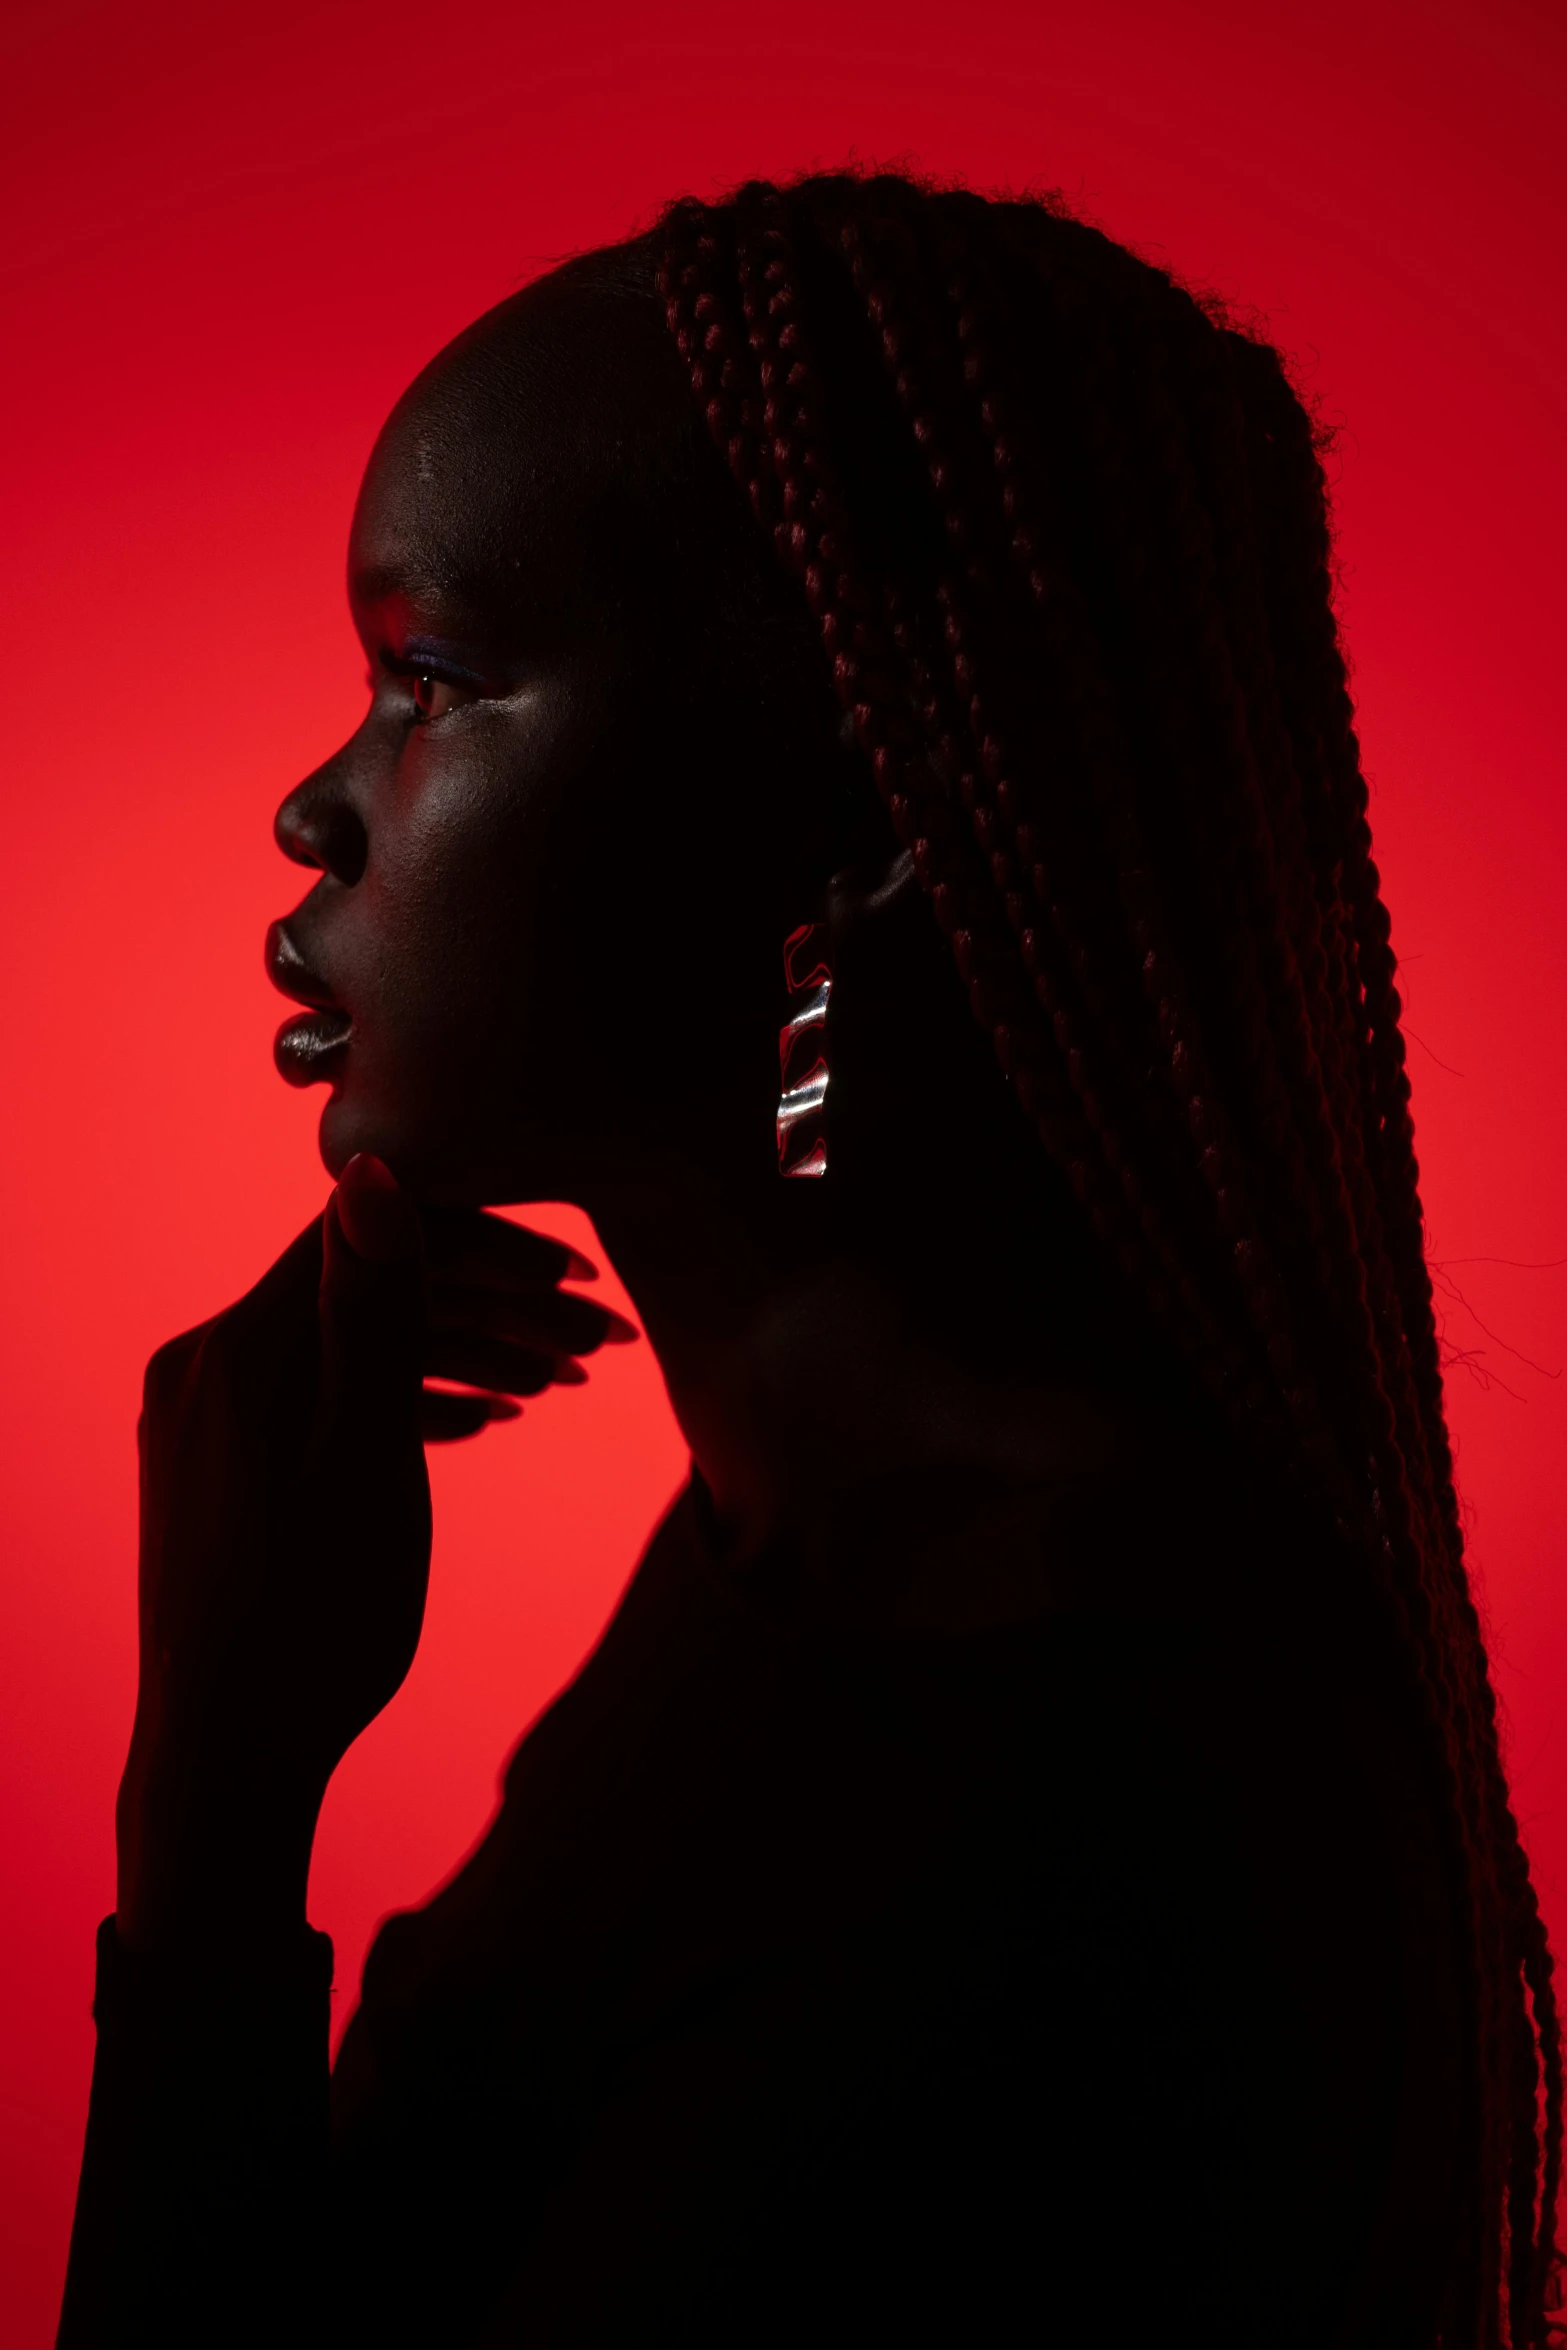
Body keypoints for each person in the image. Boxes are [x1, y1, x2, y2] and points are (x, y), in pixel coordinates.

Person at [55, 172, 1556, 2347]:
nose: (322, 803)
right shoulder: (801, 1551)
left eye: (432, 678)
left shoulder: (1071, 1824)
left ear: (856, 817)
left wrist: (207, 1807)